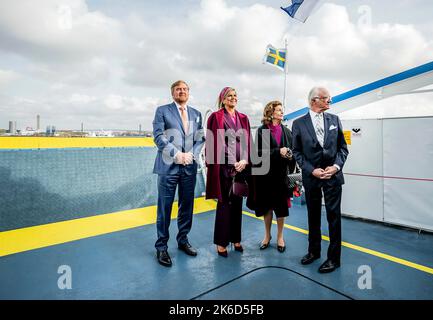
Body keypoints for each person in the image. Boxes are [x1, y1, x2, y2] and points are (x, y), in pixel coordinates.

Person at [291, 86, 349, 273]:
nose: (329, 102)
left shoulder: (335, 120)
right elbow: (297, 152)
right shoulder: (298, 123)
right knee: (313, 215)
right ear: (314, 100)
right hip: (312, 177)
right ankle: (313, 251)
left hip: (333, 177)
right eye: (326, 99)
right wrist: (311, 170)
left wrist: (336, 167)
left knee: (334, 217)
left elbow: (343, 149)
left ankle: (334, 259)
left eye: (329, 99)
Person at [152, 80, 205, 267]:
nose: (182, 91)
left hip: (188, 168)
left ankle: (182, 240)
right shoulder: (162, 111)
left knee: (186, 207)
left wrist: (192, 155)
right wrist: (177, 155)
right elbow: (158, 137)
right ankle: (161, 247)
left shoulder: (196, 114)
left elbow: (200, 138)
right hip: (168, 167)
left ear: (188, 92)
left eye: (184, 89)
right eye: (178, 89)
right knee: (164, 209)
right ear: (172, 93)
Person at [205, 87, 251, 257]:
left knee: (238, 204)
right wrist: (233, 162)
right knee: (224, 204)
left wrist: (245, 160)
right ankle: (221, 243)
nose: (233, 98)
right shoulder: (216, 117)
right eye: (229, 96)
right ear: (223, 99)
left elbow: (248, 141)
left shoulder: (243, 118)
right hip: (224, 168)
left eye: (235, 96)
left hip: (241, 168)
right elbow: (215, 143)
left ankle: (236, 239)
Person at [253, 101, 296, 253]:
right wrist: (278, 151)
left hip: (281, 176)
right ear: (270, 113)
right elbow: (258, 154)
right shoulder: (263, 131)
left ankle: (280, 237)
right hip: (265, 176)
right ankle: (267, 236)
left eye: (281, 110)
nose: (281, 112)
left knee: (281, 207)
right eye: (278, 110)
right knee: (267, 207)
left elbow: (293, 153)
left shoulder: (287, 131)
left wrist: (290, 155)